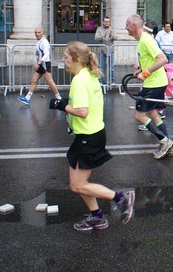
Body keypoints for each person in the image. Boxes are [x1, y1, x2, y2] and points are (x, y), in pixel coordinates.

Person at [49, 41, 135, 230]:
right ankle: (97, 216)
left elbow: (82, 111)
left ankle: (121, 198)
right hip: (92, 134)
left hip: (89, 136)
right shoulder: (89, 74)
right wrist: (65, 103)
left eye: (65, 57)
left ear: (77, 59)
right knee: (79, 183)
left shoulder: (79, 80)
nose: (62, 60)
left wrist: (61, 105)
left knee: (77, 185)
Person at [126, 14, 173, 159]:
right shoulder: (143, 40)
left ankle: (165, 141)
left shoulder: (145, 40)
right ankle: (170, 146)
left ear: (134, 26)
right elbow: (151, 59)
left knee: (139, 115)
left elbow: (163, 59)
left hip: (153, 83)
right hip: (157, 82)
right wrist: (141, 69)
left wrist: (146, 72)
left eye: (127, 25)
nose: (125, 28)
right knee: (153, 113)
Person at [18, 27, 62, 105]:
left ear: (42, 33)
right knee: (34, 80)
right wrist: (38, 63)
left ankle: (59, 98)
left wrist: (38, 63)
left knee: (50, 81)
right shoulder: (39, 42)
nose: (37, 34)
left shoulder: (44, 42)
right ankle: (27, 98)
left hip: (44, 64)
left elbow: (46, 54)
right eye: (36, 32)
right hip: (41, 64)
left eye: (39, 32)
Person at [94, 16, 115, 85]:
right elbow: (96, 38)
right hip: (102, 50)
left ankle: (111, 81)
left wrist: (111, 35)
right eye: (105, 21)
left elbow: (117, 37)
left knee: (111, 67)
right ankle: (101, 81)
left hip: (110, 50)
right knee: (101, 67)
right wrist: (103, 35)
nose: (107, 23)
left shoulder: (112, 29)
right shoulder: (99, 29)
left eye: (108, 21)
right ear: (103, 22)